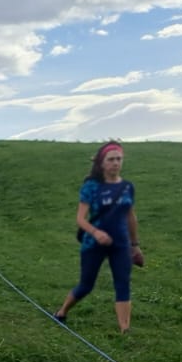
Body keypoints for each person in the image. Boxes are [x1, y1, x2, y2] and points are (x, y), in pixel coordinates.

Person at [54, 141, 143, 332]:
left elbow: (130, 216)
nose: (115, 163)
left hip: (120, 243)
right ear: (102, 163)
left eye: (119, 159)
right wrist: (96, 233)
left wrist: (134, 244)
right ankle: (62, 311)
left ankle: (124, 329)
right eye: (111, 159)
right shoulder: (91, 187)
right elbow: (80, 218)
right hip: (93, 243)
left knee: (123, 283)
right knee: (86, 285)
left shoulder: (128, 187)